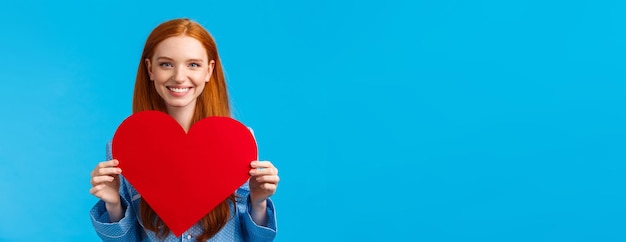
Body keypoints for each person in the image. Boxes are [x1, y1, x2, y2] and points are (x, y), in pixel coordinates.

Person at [88, 18, 279, 242]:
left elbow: (258, 239)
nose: (179, 76)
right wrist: (113, 204)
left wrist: (258, 202)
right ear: (150, 69)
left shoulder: (239, 142)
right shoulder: (125, 145)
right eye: (166, 64)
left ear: (209, 71)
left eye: (193, 65)